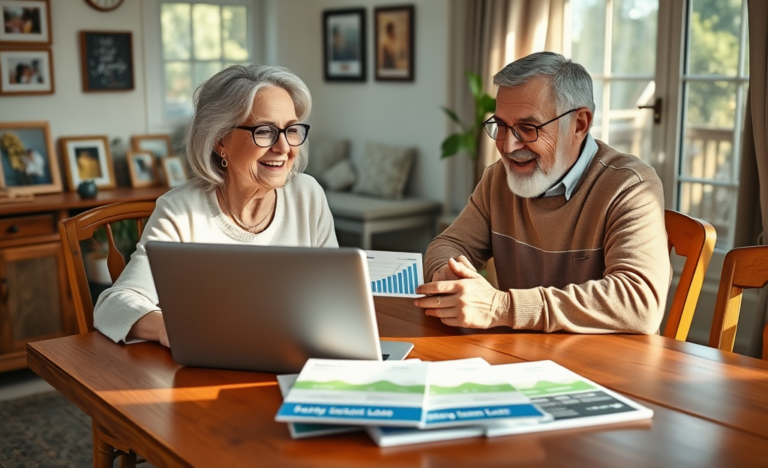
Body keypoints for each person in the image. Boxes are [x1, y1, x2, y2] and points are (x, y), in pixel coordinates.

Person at [414, 52, 670, 335]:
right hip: (521, 361)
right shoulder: (498, 179)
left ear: (580, 124)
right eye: (500, 125)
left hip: (607, 368)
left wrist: (500, 307)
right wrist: (449, 274)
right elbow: (447, 244)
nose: (508, 146)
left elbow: (640, 303)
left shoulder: (630, 186)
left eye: (527, 128)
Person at [93, 64, 338, 346]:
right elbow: (112, 307)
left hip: (298, 355)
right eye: (265, 131)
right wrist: (171, 330)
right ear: (220, 140)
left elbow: (334, 297)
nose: (283, 148)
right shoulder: (181, 211)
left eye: (291, 130)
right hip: (212, 369)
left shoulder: (308, 195)